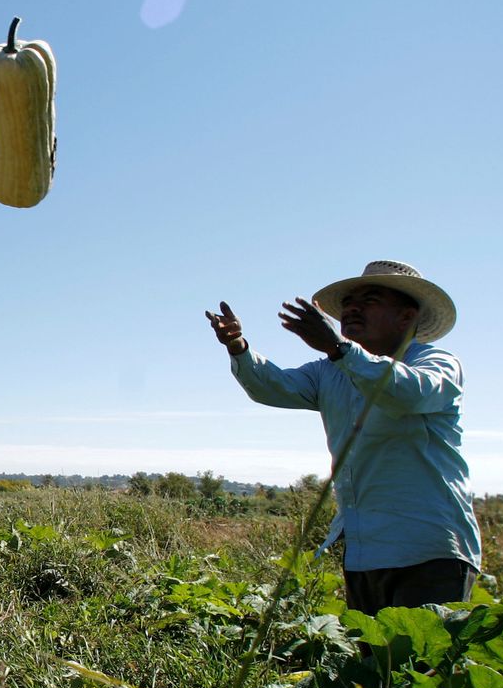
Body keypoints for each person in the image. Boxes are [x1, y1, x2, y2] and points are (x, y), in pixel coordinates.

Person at [204, 260, 480, 614]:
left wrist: (337, 348)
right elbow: (269, 387)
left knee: (421, 666)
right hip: (366, 552)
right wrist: (238, 346)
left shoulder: (436, 362)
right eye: (349, 302)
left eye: (370, 300)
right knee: (372, 664)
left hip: (429, 549)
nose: (352, 308)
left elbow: (407, 392)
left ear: (406, 316)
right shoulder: (329, 372)